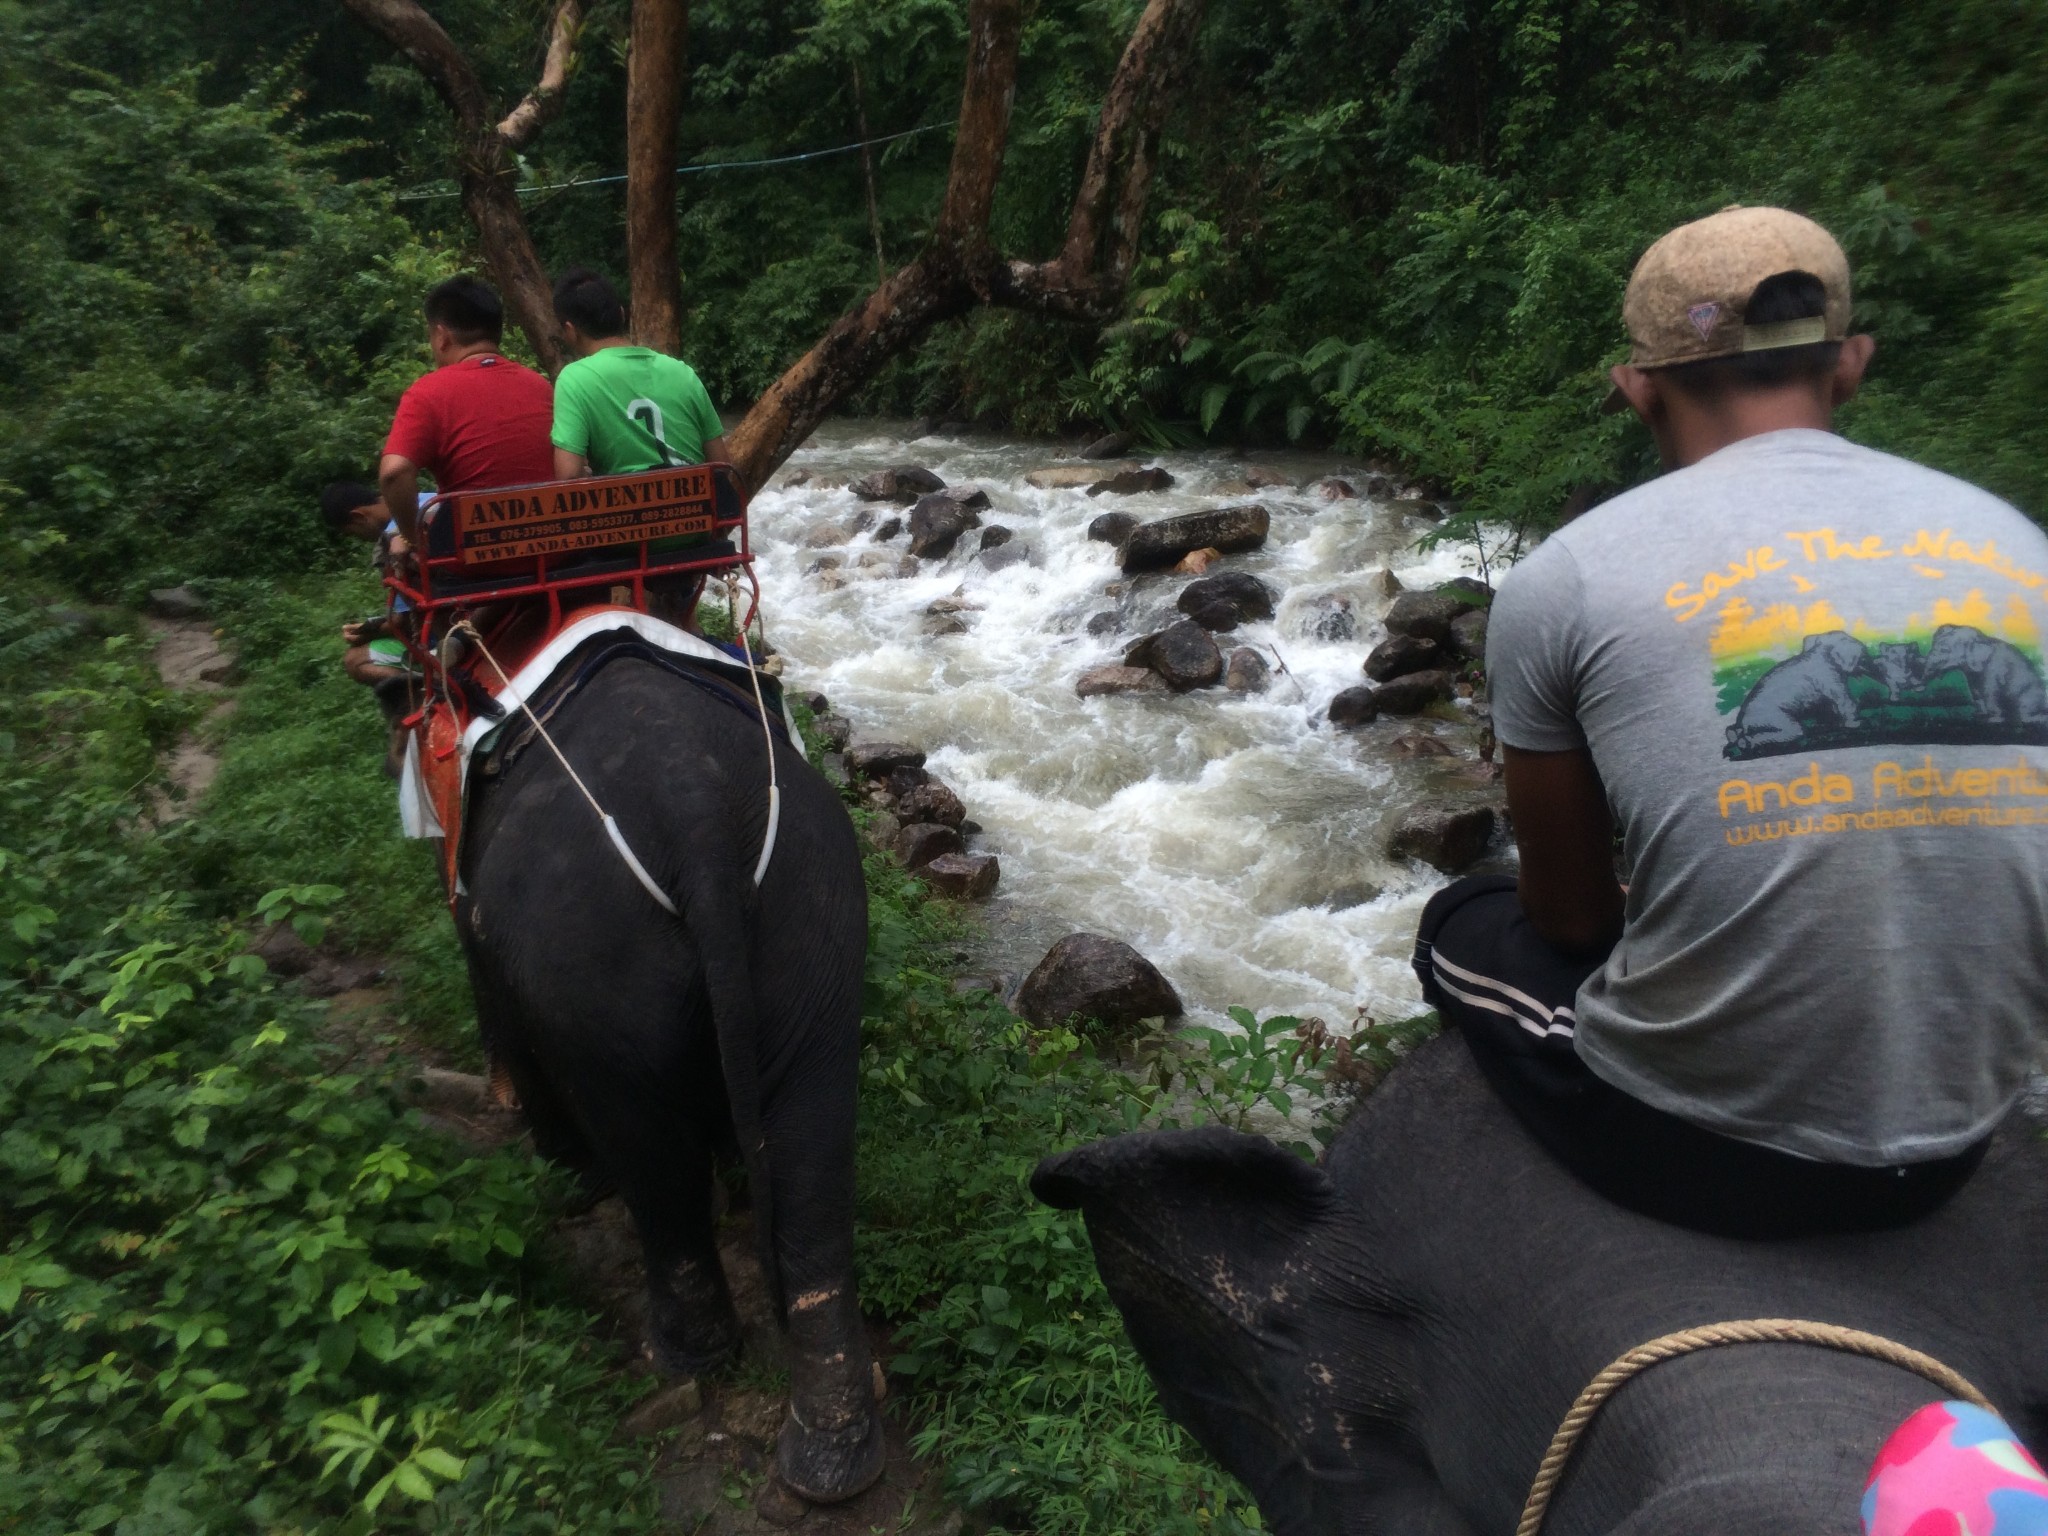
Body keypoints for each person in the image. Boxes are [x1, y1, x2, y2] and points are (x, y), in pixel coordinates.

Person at [1412, 205, 2048, 1239]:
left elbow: (1567, 920)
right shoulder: (2018, 544)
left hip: (1698, 1152)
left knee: (1459, 927)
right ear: (1847, 365)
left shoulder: (1568, 575)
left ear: (1634, 391)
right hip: (1956, 1143)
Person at [549, 268, 729, 627]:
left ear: (569, 330)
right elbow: (722, 466)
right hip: (692, 531)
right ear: (621, 314)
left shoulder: (574, 378)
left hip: (624, 539)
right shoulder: (682, 372)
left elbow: (567, 478)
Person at [379, 275, 555, 544]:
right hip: (549, 548)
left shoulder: (429, 392)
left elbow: (394, 473)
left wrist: (412, 537)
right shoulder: (540, 385)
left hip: (471, 563)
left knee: (394, 547)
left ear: (441, 336)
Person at [319, 480, 415, 777]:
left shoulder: (393, 538)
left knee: (355, 659)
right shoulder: (430, 499)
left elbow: (402, 622)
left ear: (359, 516)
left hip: (436, 627)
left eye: (354, 533)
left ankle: (421, 690)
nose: (360, 539)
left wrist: (365, 631)